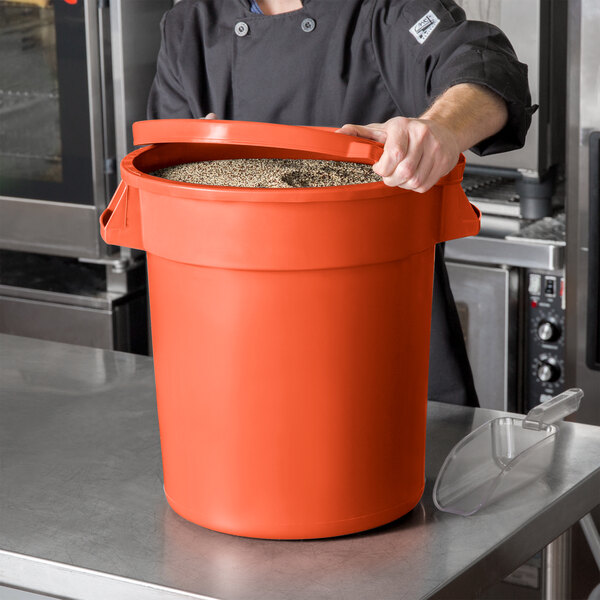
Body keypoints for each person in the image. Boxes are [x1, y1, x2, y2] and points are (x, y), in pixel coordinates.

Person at [147, 0, 535, 407]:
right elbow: (160, 173)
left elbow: (484, 65)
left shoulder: (385, 10)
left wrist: (441, 127)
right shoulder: (188, 25)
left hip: (376, 344)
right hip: (233, 349)